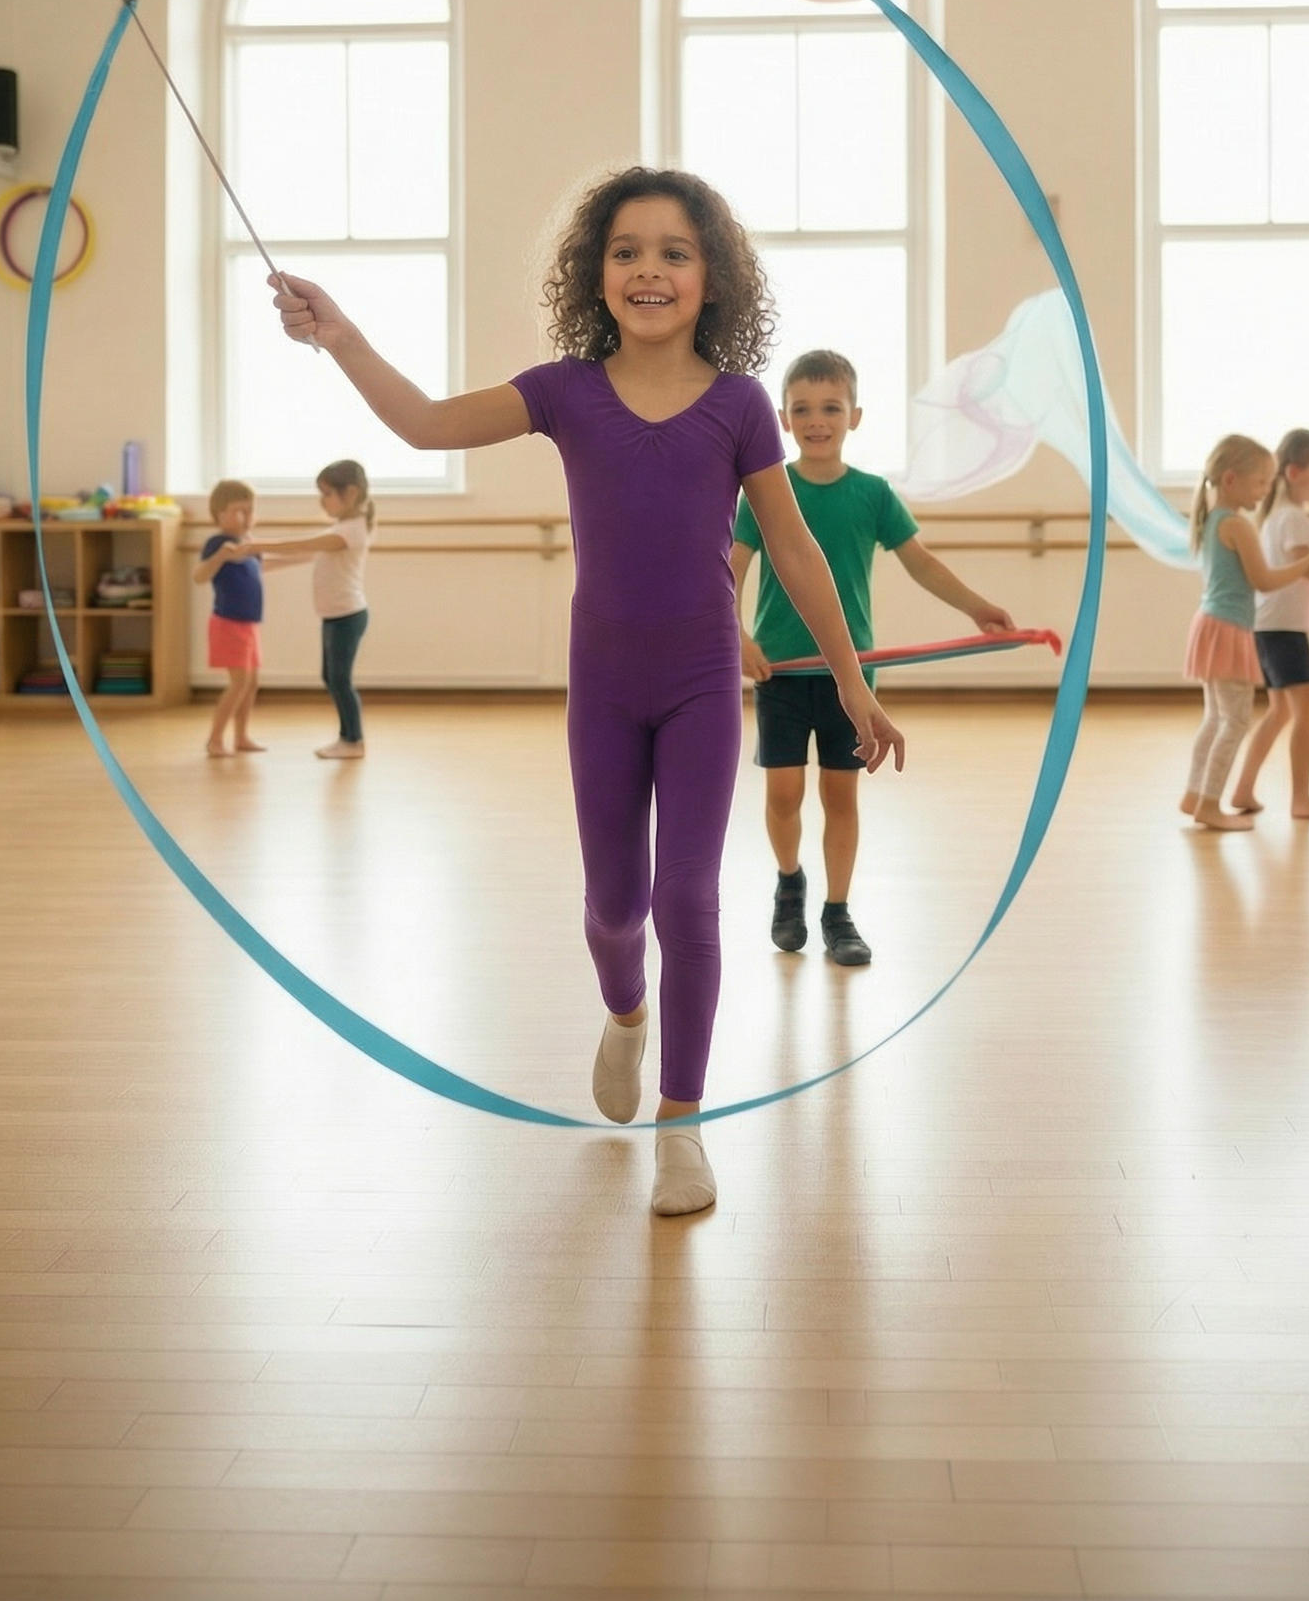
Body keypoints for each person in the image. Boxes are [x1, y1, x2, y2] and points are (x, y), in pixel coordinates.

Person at [268, 166, 903, 1218]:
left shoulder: (742, 406)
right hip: (604, 684)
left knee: (685, 898)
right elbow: (424, 425)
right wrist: (339, 336)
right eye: (625, 250)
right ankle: (623, 1014)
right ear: (594, 274)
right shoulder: (564, 390)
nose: (648, 268)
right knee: (614, 909)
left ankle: (681, 1122)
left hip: (703, 679)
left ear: (712, 278)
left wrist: (853, 684)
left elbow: (792, 550)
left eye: (673, 251)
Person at [732, 348, 1013, 967]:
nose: (817, 420)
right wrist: (738, 637)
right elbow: (728, 571)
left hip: (849, 678)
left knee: (841, 797)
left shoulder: (872, 494)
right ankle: (789, 883)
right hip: (779, 672)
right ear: (783, 418)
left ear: (854, 416)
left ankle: (837, 912)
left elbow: (922, 563)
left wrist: (977, 608)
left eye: (830, 407)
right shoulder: (765, 495)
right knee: (782, 795)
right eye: (802, 409)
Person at [1181, 434, 1309, 833]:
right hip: (1229, 628)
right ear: (1232, 479)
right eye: (1260, 483)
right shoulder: (1237, 525)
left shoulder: (1214, 520)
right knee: (1234, 721)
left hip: (1211, 624)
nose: (1266, 491)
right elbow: (1265, 581)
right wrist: (1308, 565)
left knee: (1215, 717)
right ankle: (1208, 805)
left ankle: (1195, 794)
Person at [1229, 428, 1309, 821]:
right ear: (1294, 472)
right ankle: (1302, 798)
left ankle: (1244, 789)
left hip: (1268, 626)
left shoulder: (1276, 516)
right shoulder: (1295, 519)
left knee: (1280, 711)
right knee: (1306, 711)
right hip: (1283, 630)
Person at [240, 460, 373, 761]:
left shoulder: (352, 530)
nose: (321, 501)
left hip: (347, 617)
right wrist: (262, 564)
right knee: (331, 677)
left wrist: (256, 545)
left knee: (340, 680)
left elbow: (300, 545)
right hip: (334, 616)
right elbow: (308, 555)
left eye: (326, 494)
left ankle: (353, 741)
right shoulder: (342, 528)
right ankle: (346, 738)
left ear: (350, 493)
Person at [194, 477, 264, 758]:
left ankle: (242, 736)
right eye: (239, 510)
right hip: (228, 624)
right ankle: (214, 740)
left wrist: (305, 555)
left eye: (251, 510)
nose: (247, 517)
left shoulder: (247, 544)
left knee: (252, 682)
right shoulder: (218, 544)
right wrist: (219, 558)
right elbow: (199, 576)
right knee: (239, 682)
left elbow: (263, 568)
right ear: (220, 514)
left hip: (248, 625)